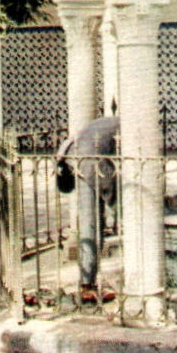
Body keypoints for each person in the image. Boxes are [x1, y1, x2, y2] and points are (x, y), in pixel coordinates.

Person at [55, 116, 119, 304]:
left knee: (89, 221)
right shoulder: (120, 121)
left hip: (80, 154)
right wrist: (115, 204)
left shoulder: (64, 154)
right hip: (90, 161)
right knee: (91, 223)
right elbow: (109, 186)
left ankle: (87, 280)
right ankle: (86, 284)